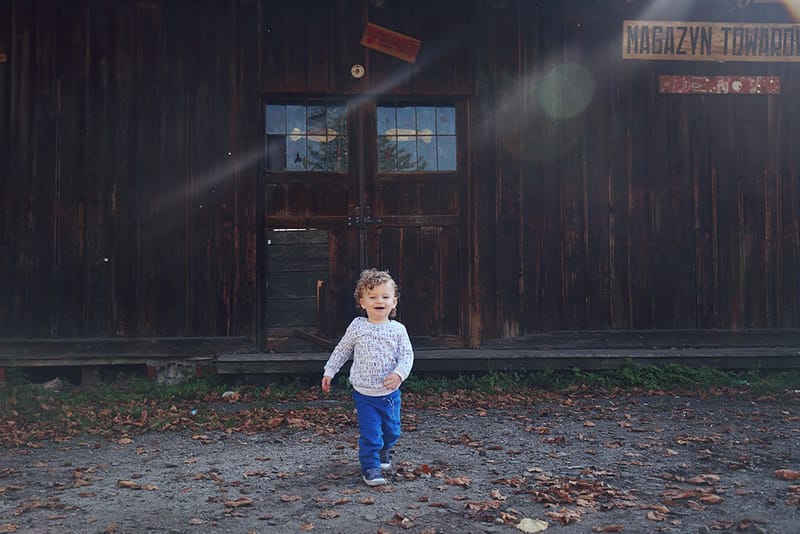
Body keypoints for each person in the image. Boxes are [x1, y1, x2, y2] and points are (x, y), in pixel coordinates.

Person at [321, 268, 414, 486]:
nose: (379, 300)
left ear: (394, 302)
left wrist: (399, 375)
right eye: (372, 297)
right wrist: (329, 371)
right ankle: (371, 467)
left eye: (385, 296)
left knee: (392, 431)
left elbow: (407, 357)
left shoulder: (398, 330)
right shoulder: (357, 326)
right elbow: (342, 350)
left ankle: (385, 451)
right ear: (362, 302)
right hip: (364, 394)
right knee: (371, 433)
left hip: (390, 394)